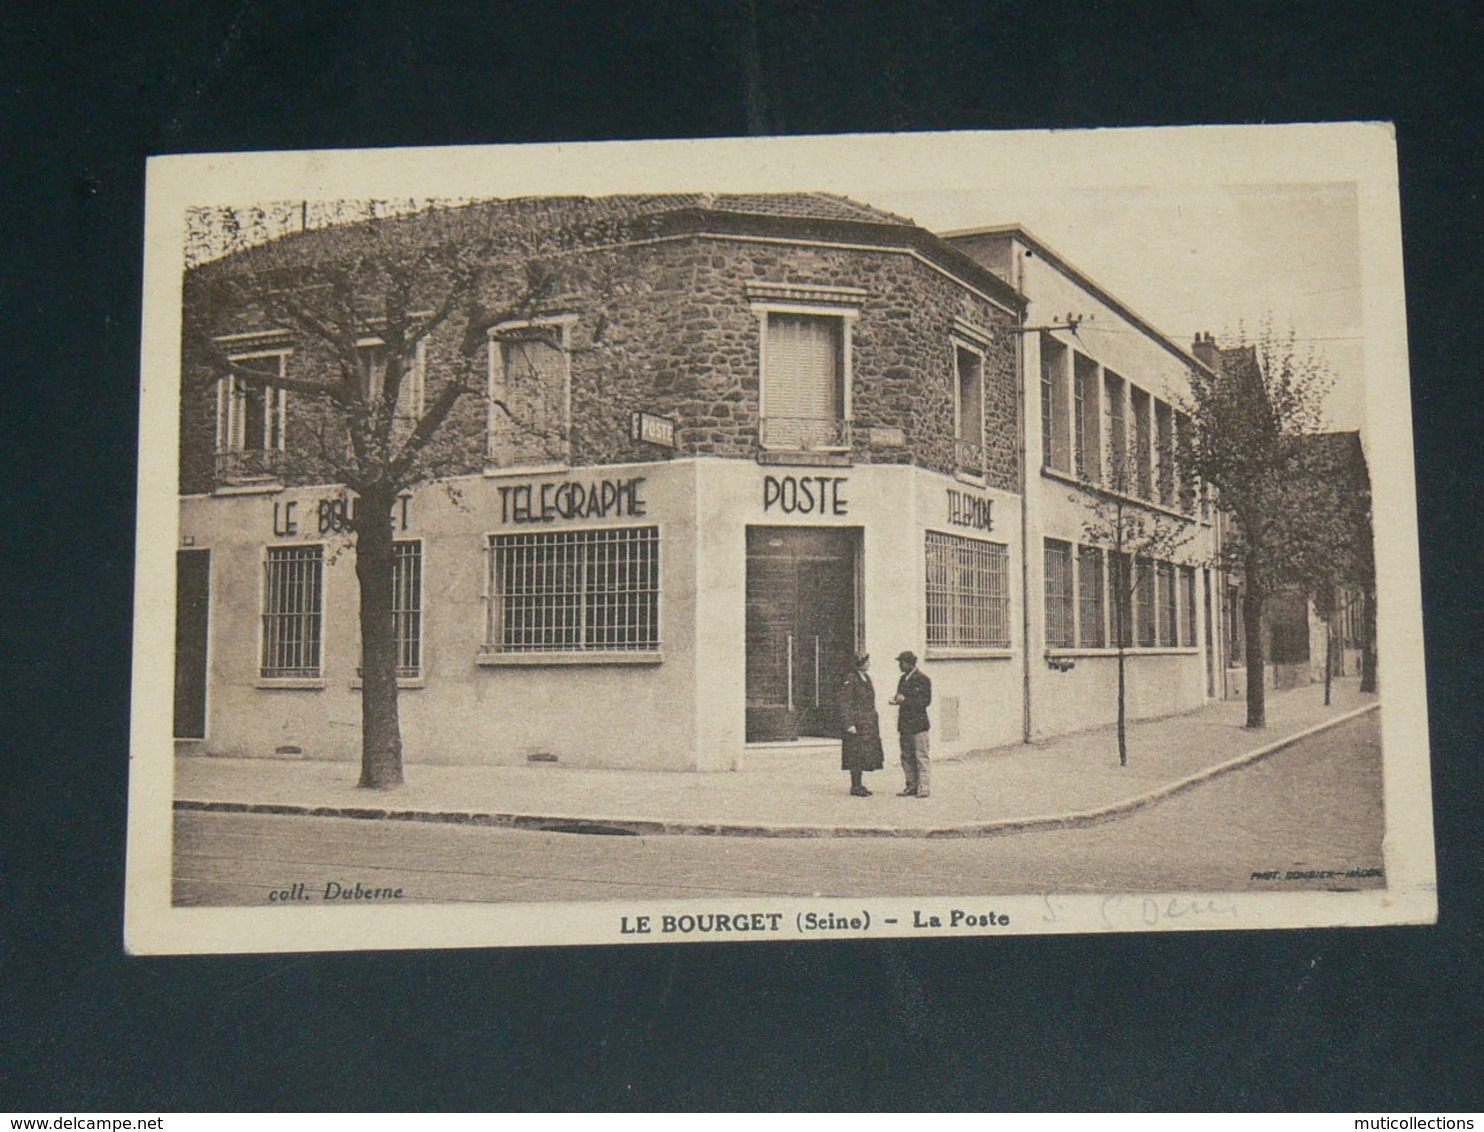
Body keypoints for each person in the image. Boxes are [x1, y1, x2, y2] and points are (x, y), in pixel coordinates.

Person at [838, 653, 885, 796]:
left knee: (864, 754)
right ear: (860, 663)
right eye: (866, 661)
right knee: (855, 754)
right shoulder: (851, 680)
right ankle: (855, 786)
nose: (869, 663)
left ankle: (860, 784)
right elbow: (845, 703)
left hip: (867, 723)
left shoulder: (867, 679)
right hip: (857, 723)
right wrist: (848, 723)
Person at [889, 650, 932, 798]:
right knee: (906, 756)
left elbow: (925, 702)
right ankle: (911, 785)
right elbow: (901, 696)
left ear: (909, 664)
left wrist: (904, 700)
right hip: (905, 725)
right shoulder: (902, 679)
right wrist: (896, 699)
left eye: (901, 663)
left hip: (919, 725)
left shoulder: (923, 679)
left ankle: (924, 787)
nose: (900, 666)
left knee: (921, 756)